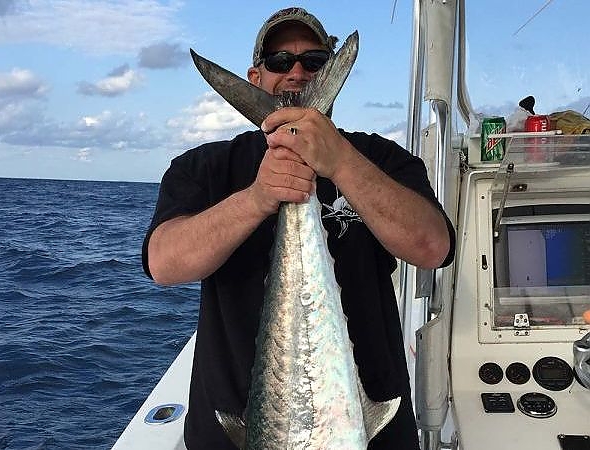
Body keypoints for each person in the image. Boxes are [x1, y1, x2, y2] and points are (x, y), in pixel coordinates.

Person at [142, 6, 455, 450]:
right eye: (279, 61)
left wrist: (341, 162)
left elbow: (432, 247)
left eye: (314, 62)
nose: (296, 72)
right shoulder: (204, 168)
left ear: (330, 71)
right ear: (256, 76)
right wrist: (257, 198)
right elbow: (163, 263)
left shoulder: (381, 160)